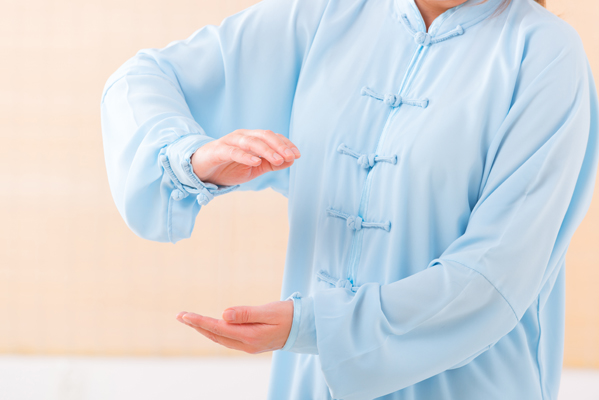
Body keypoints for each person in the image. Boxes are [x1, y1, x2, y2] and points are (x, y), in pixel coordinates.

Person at [100, 0, 599, 398]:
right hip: (314, 381)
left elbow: (496, 275)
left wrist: (320, 325)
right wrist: (188, 158)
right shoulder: (324, 15)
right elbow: (140, 79)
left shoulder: (545, 55)